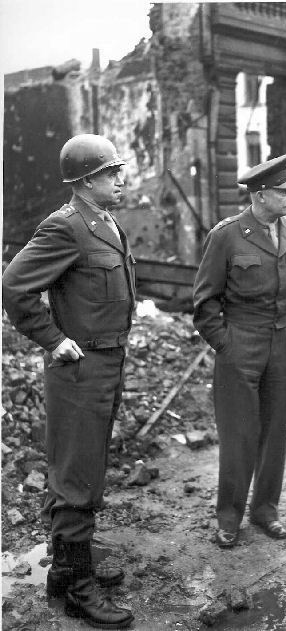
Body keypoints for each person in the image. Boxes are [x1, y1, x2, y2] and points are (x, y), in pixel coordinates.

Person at [3, 134, 135, 628]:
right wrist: (51, 337)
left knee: (89, 463)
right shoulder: (65, 227)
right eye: (111, 172)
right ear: (84, 181)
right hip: (79, 369)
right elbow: (13, 285)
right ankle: (77, 588)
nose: (121, 178)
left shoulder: (104, 222)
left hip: (106, 363)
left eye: (119, 169)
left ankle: (65, 568)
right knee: (75, 471)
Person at [193, 154, 286, 548]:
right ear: (261, 195)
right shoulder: (226, 236)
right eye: (284, 192)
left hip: (282, 343)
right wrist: (226, 345)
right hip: (239, 342)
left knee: (274, 432)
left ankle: (266, 510)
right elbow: (205, 303)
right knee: (239, 434)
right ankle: (229, 517)